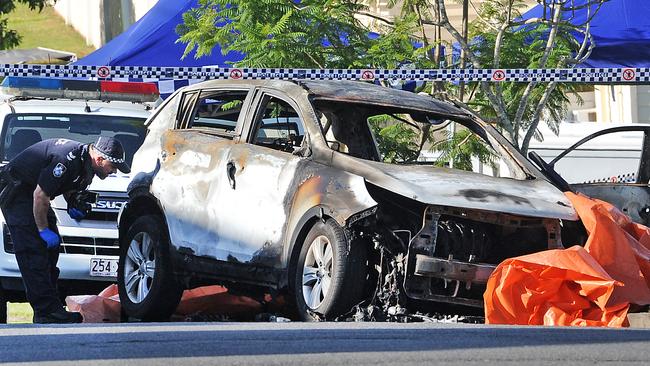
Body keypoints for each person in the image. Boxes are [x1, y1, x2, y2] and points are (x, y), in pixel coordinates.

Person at [0, 136, 130, 324]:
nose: (113, 171)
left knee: (51, 251)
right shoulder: (67, 159)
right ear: (100, 159)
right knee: (34, 252)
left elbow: (67, 186)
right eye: (112, 166)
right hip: (17, 191)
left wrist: (73, 201)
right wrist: (43, 230)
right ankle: (47, 312)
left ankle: (48, 310)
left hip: (33, 195)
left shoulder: (86, 164)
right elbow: (40, 195)